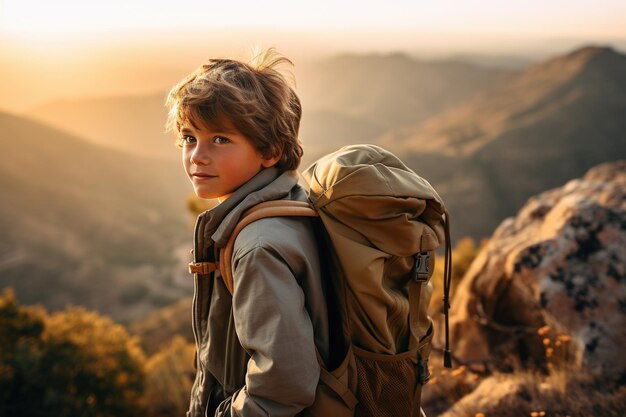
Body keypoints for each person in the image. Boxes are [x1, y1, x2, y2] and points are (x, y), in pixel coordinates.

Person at [165, 48, 329, 417]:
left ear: (270, 150)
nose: (197, 156)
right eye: (189, 138)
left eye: (220, 139)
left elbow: (283, 385)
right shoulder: (290, 201)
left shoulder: (257, 246)